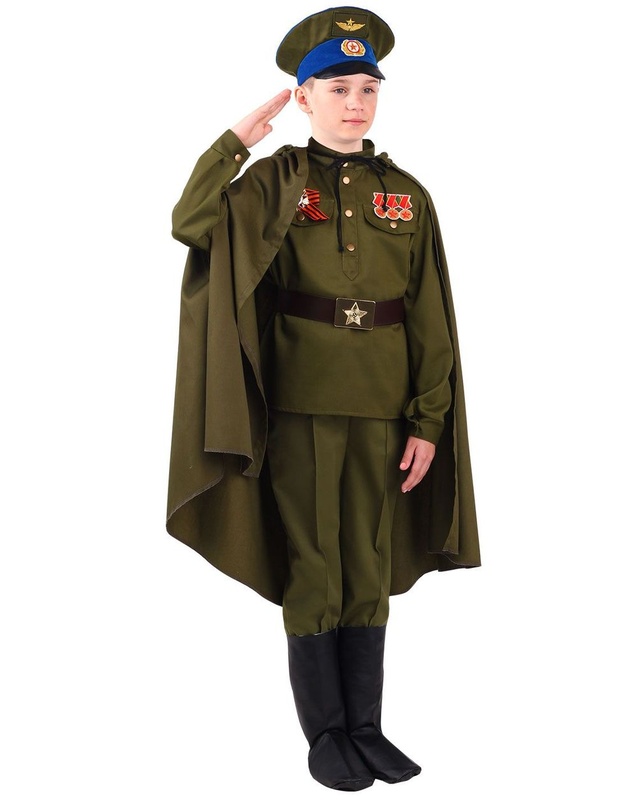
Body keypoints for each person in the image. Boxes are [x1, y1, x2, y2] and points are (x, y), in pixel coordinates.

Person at [166, 5, 480, 792]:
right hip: (300, 399)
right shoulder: (272, 183)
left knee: (367, 560)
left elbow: (430, 314)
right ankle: (325, 734)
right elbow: (191, 223)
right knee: (314, 559)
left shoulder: (405, 194)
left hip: (384, 402)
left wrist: (429, 419)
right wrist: (234, 143)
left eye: (367, 88)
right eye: (337, 88)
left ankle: (366, 727)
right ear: (303, 97)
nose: (354, 103)